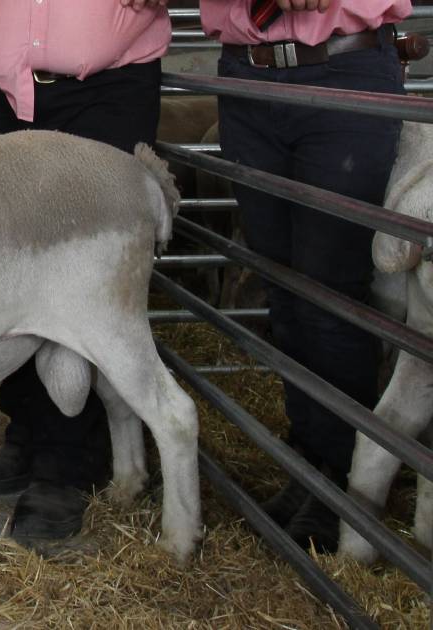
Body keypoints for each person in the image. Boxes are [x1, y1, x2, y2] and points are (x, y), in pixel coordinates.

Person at [0, 0, 170, 544]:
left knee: (85, 275)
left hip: (107, 86)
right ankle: (25, 429)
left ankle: (68, 462)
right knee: (4, 266)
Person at [199, 0, 411, 551]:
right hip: (248, 73)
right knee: (282, 283)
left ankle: (343, 479)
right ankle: (310, 458)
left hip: (343, 67)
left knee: (329, 289)